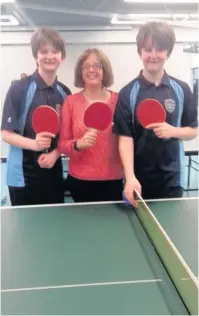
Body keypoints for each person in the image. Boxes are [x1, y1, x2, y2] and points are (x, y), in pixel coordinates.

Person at [112, 21, 198, 207]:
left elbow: (193, 130)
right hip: (139, 179)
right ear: (139, 52)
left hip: (173, 178)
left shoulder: (181, 89)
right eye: (147, 49)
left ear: (168, 52)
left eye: (159, 49)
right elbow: (125, 138)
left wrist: (173, 131)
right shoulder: (128, 93)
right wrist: (130, 176)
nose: (153, 55)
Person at [1, 27, 71, 206]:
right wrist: (34, 144)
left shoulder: (65, 93)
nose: (50, 56)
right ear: (36, 56)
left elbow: (66, 136)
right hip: (22, 177)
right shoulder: (19, 89)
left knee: (55, 226)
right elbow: (6, 134)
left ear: (61, 57)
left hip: (53, 174)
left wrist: (55, 154)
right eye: (44, 51)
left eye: (55, 51)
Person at [58, 48, 123, 202]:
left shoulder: (119, 101)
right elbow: (62, 144)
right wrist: (78, 144)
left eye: (97, 65)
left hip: (113, 180)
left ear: (104, 70)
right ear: (80, 72)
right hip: (80, 181)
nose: (91, 70)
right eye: (86, 66)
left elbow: (127, 141)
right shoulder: (70, 102)